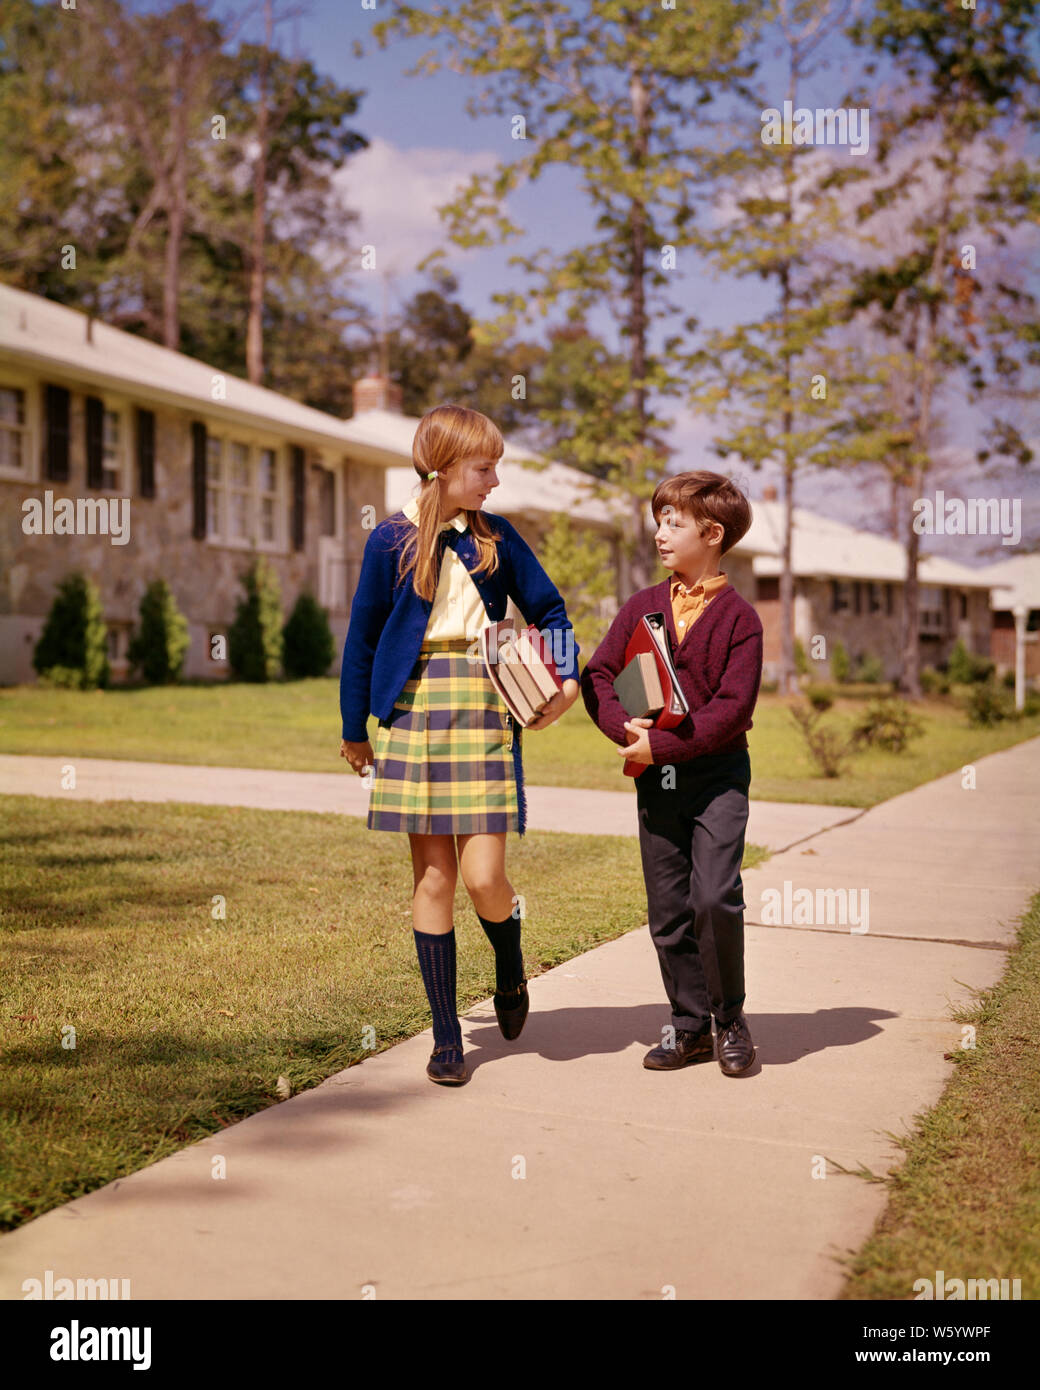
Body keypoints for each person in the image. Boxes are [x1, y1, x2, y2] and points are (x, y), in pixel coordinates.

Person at [339, 404, 581, 1086]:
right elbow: (361, 639)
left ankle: (509, 962)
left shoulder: (497, 539)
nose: (495, 481)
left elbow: (553, 613)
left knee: (483, 878)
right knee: (435, 878)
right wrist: (354, 729)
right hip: (413, 710)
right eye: (484, 468)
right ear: (441, 468)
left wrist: (560, 683)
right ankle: (447, 1038)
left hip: (482, 705)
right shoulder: (389, 542)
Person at [580, 471, 763, 1076]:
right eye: (658, 520)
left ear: (713, 534)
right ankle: (689, 1027)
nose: (660, 533)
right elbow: (600, 675)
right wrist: (624, 733)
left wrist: (661, 745)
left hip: (717, 779)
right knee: (668, 912)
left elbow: (732, 711)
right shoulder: (641, 606)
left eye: (673, 522)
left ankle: (729, 1019)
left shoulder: (741, 621)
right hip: (655, 782)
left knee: (713, 896)